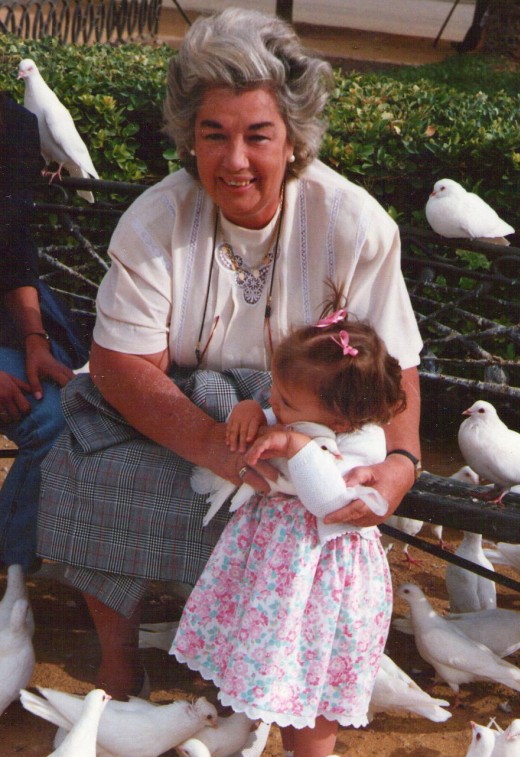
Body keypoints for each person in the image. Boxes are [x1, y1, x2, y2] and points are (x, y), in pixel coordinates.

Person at [36, 7, 423, 702]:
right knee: (86, 470)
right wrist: (216, 447)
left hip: (306, 422)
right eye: (213, 135)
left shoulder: (353, 223)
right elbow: (122, 365)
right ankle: (119, 660)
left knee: (289, 511)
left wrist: (401, 464)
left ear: (294, 140)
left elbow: (393, 368)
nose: (234, 160)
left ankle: (255, 676)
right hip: (186, 410)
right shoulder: (155, 220)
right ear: (190, 139)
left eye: (257, 136)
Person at [171, 310, 405, 757]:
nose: (274, 404)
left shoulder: (363, 442)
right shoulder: (304, 415)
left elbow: (328, 501)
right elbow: (273, 418)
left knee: (313, 686)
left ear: (341, 418)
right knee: (287, 676)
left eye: (285, 400)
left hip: (324, 577)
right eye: (274, 393)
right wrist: (251, 410)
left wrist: (295, 445)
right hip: (285, 572)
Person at [0, 91, 90, 573]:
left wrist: (35, 339)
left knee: (61, 413)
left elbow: (13, 245)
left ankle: (12, 571)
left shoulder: (15, 123)